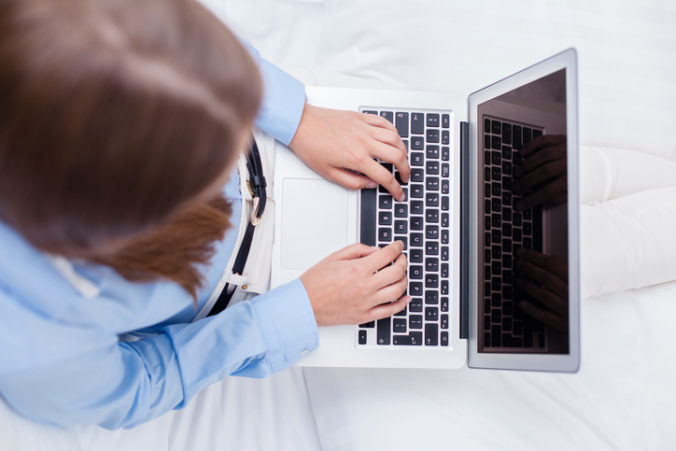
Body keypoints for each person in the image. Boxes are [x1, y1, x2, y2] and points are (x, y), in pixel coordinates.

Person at [0, 0, 412, 429]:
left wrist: (297, 118)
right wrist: (297, 313)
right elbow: (141, 384)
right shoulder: (31, 353)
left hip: (286, 137)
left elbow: (167, 38)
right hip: (266, 294)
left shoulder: (38, 27)